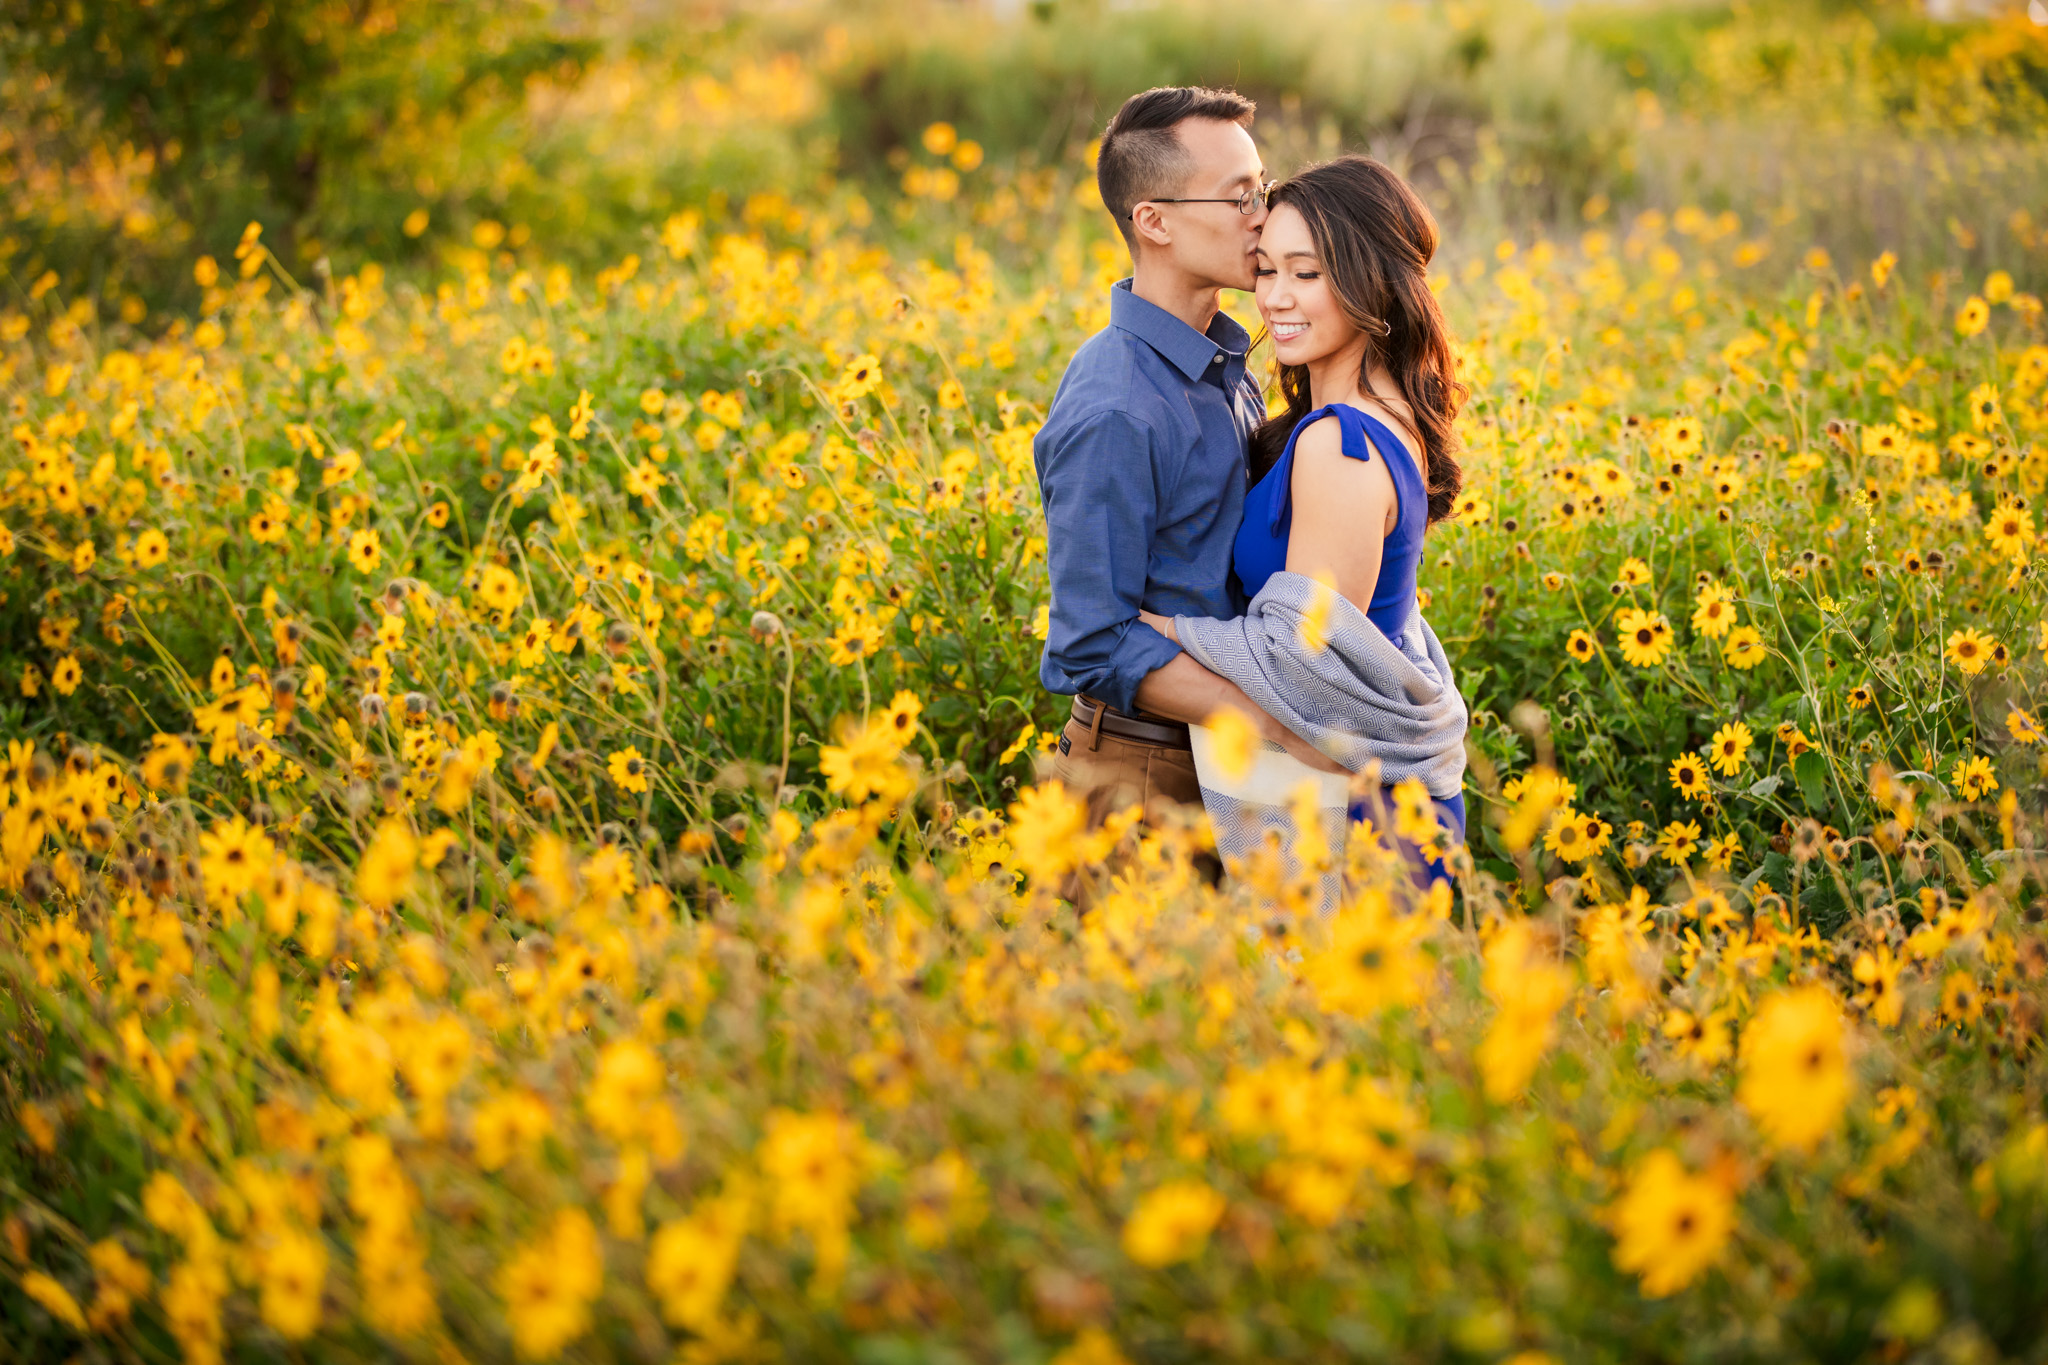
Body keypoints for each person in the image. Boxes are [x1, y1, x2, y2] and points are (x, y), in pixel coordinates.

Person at [1140, 156, 1470, 884]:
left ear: (1371, 280)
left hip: (1359, 820)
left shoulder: (1339, 445)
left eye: (1308, 273)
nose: (1276, 298)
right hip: (1364, 797)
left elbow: (1304, 670)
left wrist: (1159, 629)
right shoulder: (1369, 420)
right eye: (1265, 270)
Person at [1036, 85, 1339, 834]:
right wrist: (1269, 723)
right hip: (1141, 774)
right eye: (1239, 197)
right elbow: (1091, 640)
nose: (1262, 217)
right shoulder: (1117, 405)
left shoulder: (1219, 364)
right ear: (1155, 221)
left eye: (1261, 189)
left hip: (1230, 759)